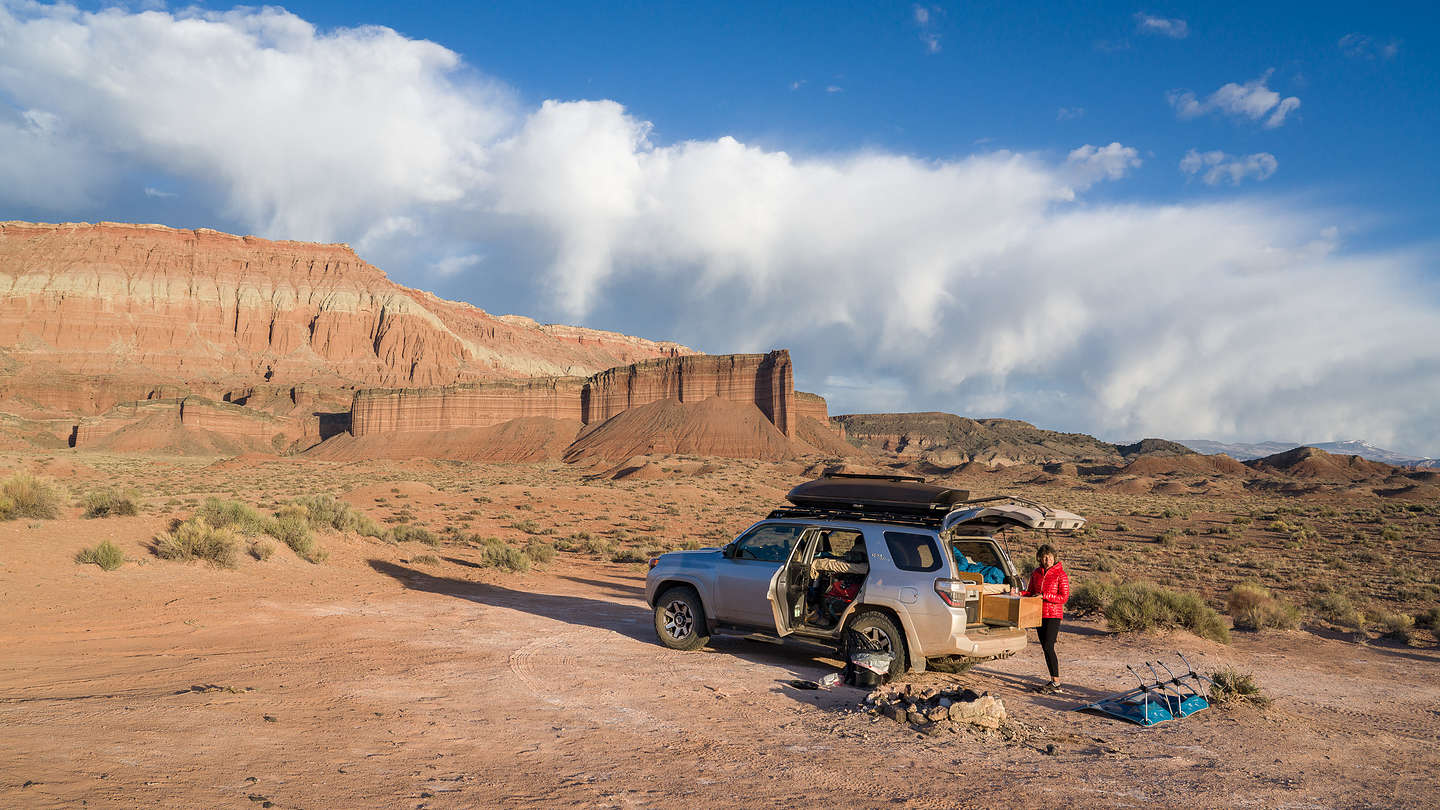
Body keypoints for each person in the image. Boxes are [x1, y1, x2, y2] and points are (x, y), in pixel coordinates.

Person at [1022, 543, 1070, 693]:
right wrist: (1018, 593)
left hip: (1053, 615)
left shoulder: (1061, 574)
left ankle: (1056, 682)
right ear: (1040, 559)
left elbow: (1063, 597)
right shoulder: (1036, 573)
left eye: (1049, 557)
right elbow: (1031, 592)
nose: (1047, 560)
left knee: (1049, 646)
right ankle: (1053, 681)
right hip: (1038, 614)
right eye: (1044, 557)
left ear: (1054, 557)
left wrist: (1045, 596)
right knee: (1045, 647)